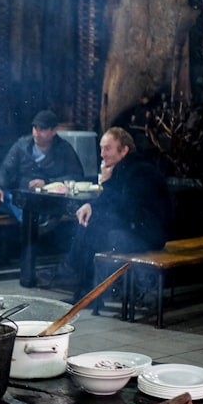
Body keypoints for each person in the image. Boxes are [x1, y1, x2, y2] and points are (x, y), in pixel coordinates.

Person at [52, 126, 173, 301]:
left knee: (96, 231)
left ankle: (77, 279)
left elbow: (127, 210)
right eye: (101, 148)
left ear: (124, 150)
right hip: (134, 229)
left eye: (107, 148)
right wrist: (90, 205)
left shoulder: (140, 171)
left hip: (149, 236)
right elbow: (111, 203)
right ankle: (80, 283)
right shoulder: (122, 169)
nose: (102, 154)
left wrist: (106, 183)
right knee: (91, 223)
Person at [0, 109, 86, 223]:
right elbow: (6, 169)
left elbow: (76, 176)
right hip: (22, 197)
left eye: (42, 129)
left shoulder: (64, 149)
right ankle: (31, 220)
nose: (36, 133)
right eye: (35, 128)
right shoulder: (21, 146)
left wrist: (47, 182)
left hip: (49, 200)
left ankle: (31, 221)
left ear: (54, 131)